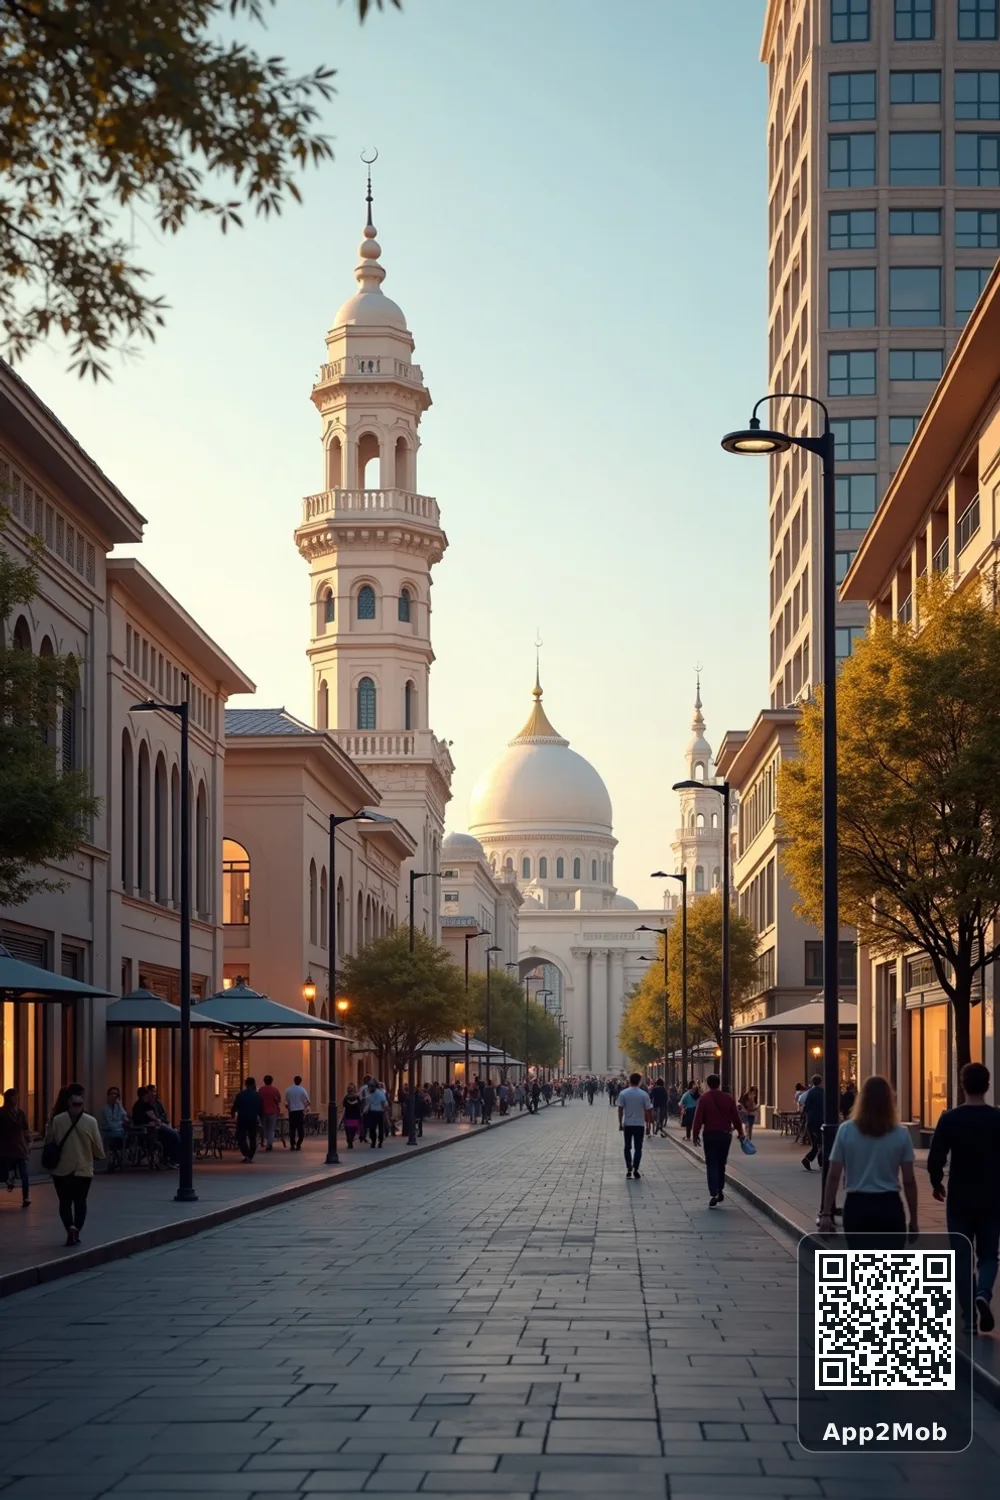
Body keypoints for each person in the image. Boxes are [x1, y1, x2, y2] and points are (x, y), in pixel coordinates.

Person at [928, 1061, 1000, 1334]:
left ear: (962, 1085)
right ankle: (984, 1293)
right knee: (989, 1255)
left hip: (959, 1196)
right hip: (991, 1196)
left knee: (961, 1256)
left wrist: (936, 1182)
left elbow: (936, 1157)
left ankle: (969, 1318)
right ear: (988, 1086)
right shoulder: (997, 1119)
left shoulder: (950, 1118)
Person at [820, 1075, 917, 1240]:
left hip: (857, 1205)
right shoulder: (900, 1133)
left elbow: (834, 1175)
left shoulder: (846, 1130)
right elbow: (909, 1180)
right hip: (889, 1204)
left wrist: (826, 1213)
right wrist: (913, 1219)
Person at [43, 1084, 104, 1246]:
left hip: (61, 1170)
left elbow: (49, 1140)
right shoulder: (91, 1122)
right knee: (80, 1202)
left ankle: (69, 1226)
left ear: (68, 1101)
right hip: (83, 1170)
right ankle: (76, 1227)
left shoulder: (57, 1120)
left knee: (64, 1202)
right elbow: (98, 1149)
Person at [692, 1074, 746, 1208]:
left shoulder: (704, 1098)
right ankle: (720, 1189)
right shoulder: (728, 1098)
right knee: (721, 1163)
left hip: (710, 1134)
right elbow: (735, 1117)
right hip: (724, 1135)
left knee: (711, 1163)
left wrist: (695, 1133)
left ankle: (714, 1191)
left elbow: (698, 1117)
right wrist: (741, 1132)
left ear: (707, 1084)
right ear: (719, 1083)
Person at [617, 1073, 653, 1180]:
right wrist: (649, 1125)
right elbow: (648, 1110)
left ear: (629, 1080)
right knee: (638, 1148)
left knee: (627, 1147)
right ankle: (636, 1168)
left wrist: (620, 1123)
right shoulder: (643, 1094)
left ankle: (629, 1166)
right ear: (639, 1081)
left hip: (628, 1123)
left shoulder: (623, 1093)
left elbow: (620, 1109)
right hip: (639, 1124)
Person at [0, 1087, 31, 1206]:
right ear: (8, 1098)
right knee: (3, 1172)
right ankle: (8, 1180)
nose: (16, 1098)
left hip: (20, 1148)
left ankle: (26, 1197)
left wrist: (28, 1142)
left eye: (17, 1096)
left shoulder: (21, 1113)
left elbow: (26, 1130)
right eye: (14, 1096)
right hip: (5, 1149)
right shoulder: (2, 1113)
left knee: (24, 1173)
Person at [147, 1085, 182, 1166]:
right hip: (155, 1129)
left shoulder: (158, 1103)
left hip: (163, 1125)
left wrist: (167, 1123)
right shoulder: (146, 1105)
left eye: (155, 1091)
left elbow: (164, 1115)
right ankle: (174, 1159)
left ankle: (174, 1158)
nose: (154, 1094)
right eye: (152, 1091)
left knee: (177, 1134)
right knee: (173, 1135)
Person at [231, 1077, 263, 1162]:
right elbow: (260, 1108)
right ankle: (250, 1154)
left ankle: (246, 1152)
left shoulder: (240, 1094)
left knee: (241, 1136)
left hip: (242, 1118)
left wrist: (233, 1114)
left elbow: (235, 1106)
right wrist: (260, 1117)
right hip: (253, 1118)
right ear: (254, 1084)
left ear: (246, 1084)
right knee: (252, 1137)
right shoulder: (257, 1095)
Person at [99, 1086, 129, 1171]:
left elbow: (124, 1115)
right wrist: (121, 1123)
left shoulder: (118, 1107)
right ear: (108, 1095)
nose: (114, 1096)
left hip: (119, 1130)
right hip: (108, 1131)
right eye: (112, 1094)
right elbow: (110, 1123)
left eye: (115, 1094)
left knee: (127, 1137)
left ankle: (121, 1159)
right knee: (123, 1136)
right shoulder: (105, 1108)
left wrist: (119, 1105)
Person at [800, 1073, 825, 1171]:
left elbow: (806, 1105)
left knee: (816, 1143)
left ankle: (808, 1159)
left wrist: (805, 1117)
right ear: (821, 1082)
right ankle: (820, 1162)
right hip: (819, 1120)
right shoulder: (822, 1093)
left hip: (811, 1120)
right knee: (820, 1143)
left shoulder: (810, 1092)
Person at [285, 1075, 310, 1151]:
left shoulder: (288, 1090)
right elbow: (308, 1101)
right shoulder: (302, 1090)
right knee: (300, 1129)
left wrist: (289, 1108)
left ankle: (292, 1144)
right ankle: (299, 1144)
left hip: (292, 1111)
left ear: (294, 1080)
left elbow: (286, 1102)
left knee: (292, 1129)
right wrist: (305, 1107)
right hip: (300, 1111)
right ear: (300, 1081)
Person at [259, 1074, 282, 1151]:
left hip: (263, 1111)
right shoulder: (275, 1090)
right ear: (271, 1081)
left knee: (264, 1127)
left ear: (264, 1081)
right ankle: (269, 1143)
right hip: (273, 1111)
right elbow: (279, 1100)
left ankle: (266, 1140)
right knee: (271, 1128)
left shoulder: (261, 1090)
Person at [365, 1079, 388, 1147]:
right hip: (372, 1112)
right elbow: (367, 1102)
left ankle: (380, 1141)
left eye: (372, 1086)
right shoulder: (368, 1092)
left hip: (379, 1112)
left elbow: (383, 1103)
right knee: (372, 1128)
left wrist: (385, 1114)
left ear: (376, 1086)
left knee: (380, 1128)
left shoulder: (380, 1093)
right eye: (369, 1086)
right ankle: (373, 1141)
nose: (370, 1087)